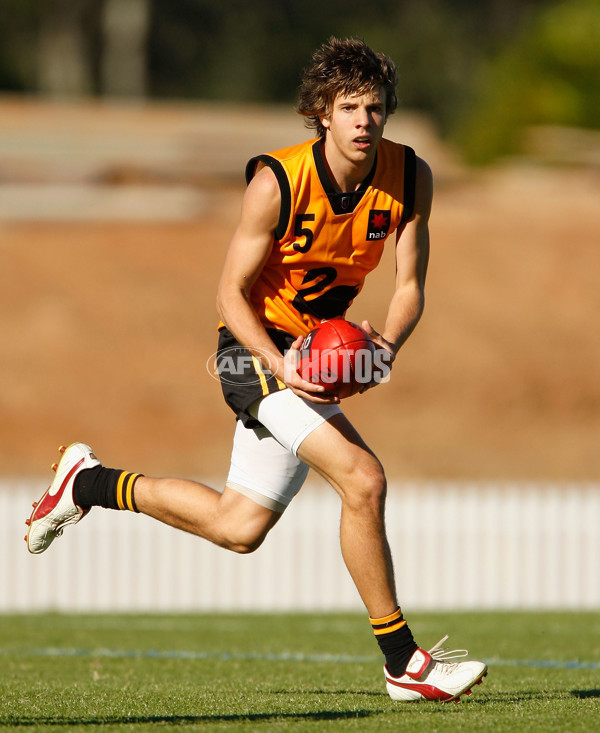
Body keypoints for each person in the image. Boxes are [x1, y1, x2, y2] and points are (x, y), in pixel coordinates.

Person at [26, 37, 487, 702]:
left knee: (237, 526)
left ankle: (88, 482)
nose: (365, 120)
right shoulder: (277, 181)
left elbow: (410, 283)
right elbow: (228, 295)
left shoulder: (410, 176)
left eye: (376, 107)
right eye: (350, 106)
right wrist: (278, 364)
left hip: (309, 359)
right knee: (363, 479)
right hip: (253, 351)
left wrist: (386, 343)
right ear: (321, 114)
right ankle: (403, 662)